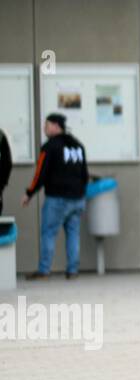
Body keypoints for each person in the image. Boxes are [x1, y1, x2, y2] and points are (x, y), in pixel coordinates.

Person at [22, 112, 89, 279]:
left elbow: (40, 174)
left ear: (56, 126)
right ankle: (72, 271)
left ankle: (44, 270)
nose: (44, 128)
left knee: (48, 233)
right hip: (77, 198)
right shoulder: (78, 146)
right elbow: (84, 174)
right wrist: (81, 192)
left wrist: (29, 193)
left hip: (57, 199)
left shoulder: (50, 146)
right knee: (73, 234)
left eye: (47, 125)